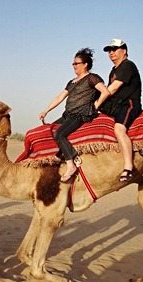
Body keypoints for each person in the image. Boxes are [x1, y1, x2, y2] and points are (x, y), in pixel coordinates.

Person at [39, 48, 110, 182]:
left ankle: (71, 163)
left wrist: (95, 106)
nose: (74, 66)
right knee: (49, 130)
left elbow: (105, 92)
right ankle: (60, 156)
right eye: (73, 64)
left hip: (80, 114)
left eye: (76, 63)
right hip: (68, 114)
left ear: (85, 64)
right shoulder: (71, 82)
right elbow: (60, 97)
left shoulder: (92, 78)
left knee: (59, 134)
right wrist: (46, 110)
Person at [100, 38, 142, 182]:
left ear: (124, 51)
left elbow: (113, 88)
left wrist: (97, 102)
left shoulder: (128, 66)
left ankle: (128, 167)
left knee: (119, 129)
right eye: (109, 50)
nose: (111, 53)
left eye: (114, 49)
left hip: (128, 103)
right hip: (115, 104)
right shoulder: (114, 70)